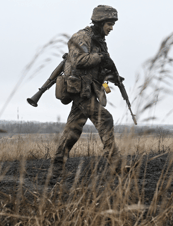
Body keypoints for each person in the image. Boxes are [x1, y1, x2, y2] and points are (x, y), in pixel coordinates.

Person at [52, 5, 126, 173]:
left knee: (74, 128)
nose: (111, 28)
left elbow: (97, 70)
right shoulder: (81, 37)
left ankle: (57, 166)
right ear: (100, 22)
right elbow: (79, 60)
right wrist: (101, 58)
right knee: (105, 119)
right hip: (79, 89)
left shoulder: (99, 41)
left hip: (88, 89)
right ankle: (116, 165)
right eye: (109, 24)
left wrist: (111, 78)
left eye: (113, 24)